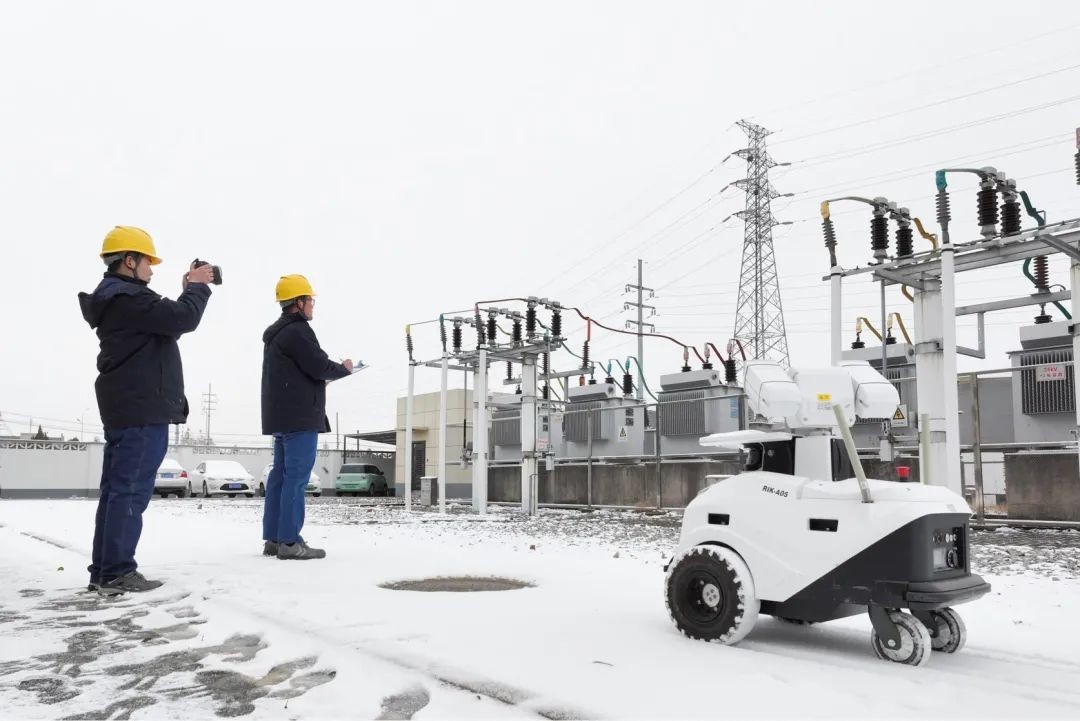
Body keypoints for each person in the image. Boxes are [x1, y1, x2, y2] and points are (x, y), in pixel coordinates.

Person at [78, 226, 215, 595]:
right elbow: (182, 319)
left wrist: (188, 289)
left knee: (117, 492)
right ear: (129, 261)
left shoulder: (119, 299)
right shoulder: (129, 298)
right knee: (129, 492)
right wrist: (198, 287)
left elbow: (166, 321)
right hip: (141, 409)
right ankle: (117, 571)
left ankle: (105, 571)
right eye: (148, 263)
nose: (152, 270)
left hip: (127, 407)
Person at [261, 274, 351, 560]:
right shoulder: (298, 331)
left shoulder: (276, 335)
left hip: (281, 418)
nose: (312, 305)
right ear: (298, 303)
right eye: (310, 300)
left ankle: (274, 538)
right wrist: (344, 369)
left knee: (279, 477)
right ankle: (289, 542)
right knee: (296, 479)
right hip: (300, 418)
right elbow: (318, 365)